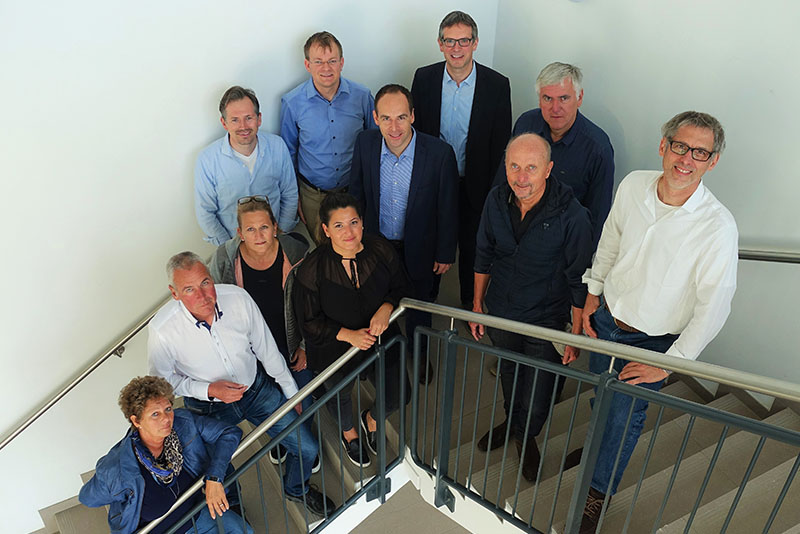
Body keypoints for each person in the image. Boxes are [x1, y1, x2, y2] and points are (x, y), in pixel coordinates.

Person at [574, 111, 738, 533]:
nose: (687, 159)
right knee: (600, 394)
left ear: (712, 161)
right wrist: (592, 296)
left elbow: (714, 305)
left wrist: (670, 363)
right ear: (664, 145)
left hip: (653, 344)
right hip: (608, 319)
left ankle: (597, 492)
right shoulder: (632, 185)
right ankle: (596, 449)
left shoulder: (717, 227)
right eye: (681, 146)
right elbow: (610, 239)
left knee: (623, 421)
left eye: (700, 152)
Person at [148, 252, 333, 516]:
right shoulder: (162, 330)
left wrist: (292, 396)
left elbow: (267, 350)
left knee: (307, 447)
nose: (203, 296)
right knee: (217, 466)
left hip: (256, 390)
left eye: (205, 283)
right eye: (189, 289)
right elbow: (162, 385)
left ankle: (297, 488)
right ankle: (233, 505)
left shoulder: (238, 299)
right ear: (174, 293)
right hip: (208, 407)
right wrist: (208, 390)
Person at [468, 134, 592, 482]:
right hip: (503, 312)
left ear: (549, 170)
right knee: (509, 373)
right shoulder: (496, 199)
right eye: (514, 166)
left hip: (546, 320)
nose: (521, 177)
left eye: (531, 168)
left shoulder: (572, 216)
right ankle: (512, 423)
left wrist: (576, 334)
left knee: (538, 392)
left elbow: (579, 279)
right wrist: (477, 305)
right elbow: (483, 253)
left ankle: (527, 435)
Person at [350, 84, 459, 384]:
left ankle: (420, 353)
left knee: (419, 305)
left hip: (420, 248)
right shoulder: (365, 144)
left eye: (401, 117)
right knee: (376, 300)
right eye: (386, 118)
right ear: (375, 118)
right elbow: (357, 195)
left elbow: (448, 207)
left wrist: (445, 252)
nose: (394, 127)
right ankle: (382, 356)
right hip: (376, 245)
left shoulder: (438, 154)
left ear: (413, 116)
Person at [293, 192, 412, 467]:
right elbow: (309, 324)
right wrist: (349, 335)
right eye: (338, 225)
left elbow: (403, 286)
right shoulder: (312, 270)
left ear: (362, 223)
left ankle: (370, 419)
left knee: (398, 395)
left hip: (381, 335)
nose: (349, 232)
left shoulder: (380, 249)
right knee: (340, 394)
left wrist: (387, 306)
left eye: (354, 222)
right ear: (325, 230)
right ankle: (349, 432)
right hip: (335, 345)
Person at [208, 195, 319, 471]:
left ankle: (304, 450)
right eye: (250, 229)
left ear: (275, 226)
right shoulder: (224, 259)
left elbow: (313, 302)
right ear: (239, 233)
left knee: (302, 402)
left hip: (291, 344)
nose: (258, 235)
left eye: (264, 227)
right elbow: (214, 308)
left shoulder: (296, 253)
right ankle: (280, 440)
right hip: (252, 352)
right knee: (267, 404)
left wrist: (304, 345)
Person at [411, 10, 511, 309]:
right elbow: (416, 134)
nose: (456, 48)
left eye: (463, 41)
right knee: (432, 244)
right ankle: (426, 301)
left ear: (475, 43)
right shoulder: (424, 78)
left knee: (473, 247)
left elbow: (500, 144)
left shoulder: (496, 84)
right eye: (450, 41)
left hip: (476, 182)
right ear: (440, 44)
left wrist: (494, 191)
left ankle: (471, 304)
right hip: (434, 181)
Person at [79, 376, 253, 534]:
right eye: (155, 414)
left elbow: (229, 433)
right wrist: (123, 493)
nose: (166, 419)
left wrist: (214, 478)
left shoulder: (182, 422)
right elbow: (87, 498)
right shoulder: (116, 467)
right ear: (136, 420)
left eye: (168, 409)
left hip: (197, 513)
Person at [495, 62, 614, 247]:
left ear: (579, 97)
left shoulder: (598, 148)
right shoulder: (526, 124)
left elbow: (597, 216)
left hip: (561, 245)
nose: (555, 108)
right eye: (547, 98)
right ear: (539, 99)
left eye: (564, 98)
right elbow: (502, 184)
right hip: (514, 234)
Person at [280, 31, 376, 244]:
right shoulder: (292, 102)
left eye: (332, 61)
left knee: (356, 249)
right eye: (319, 61)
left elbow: (375, 144)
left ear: (341, 62)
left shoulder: (362, 96)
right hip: (313, 195)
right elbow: (288, 153)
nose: (326, 68)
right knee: (324, 256)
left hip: (354, 191)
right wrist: (294, 197)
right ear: (307, 65)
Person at [195, 86, 298, 245]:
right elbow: (205, 212)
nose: (243, 126)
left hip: (276, 242)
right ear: (224, 123)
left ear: (259, 119)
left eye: (248, 117)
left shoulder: (278, 146)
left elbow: (290, 194)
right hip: (232, 244)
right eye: (235, 120)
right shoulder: (207, 159)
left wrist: (281, 233)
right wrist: (229, 248)